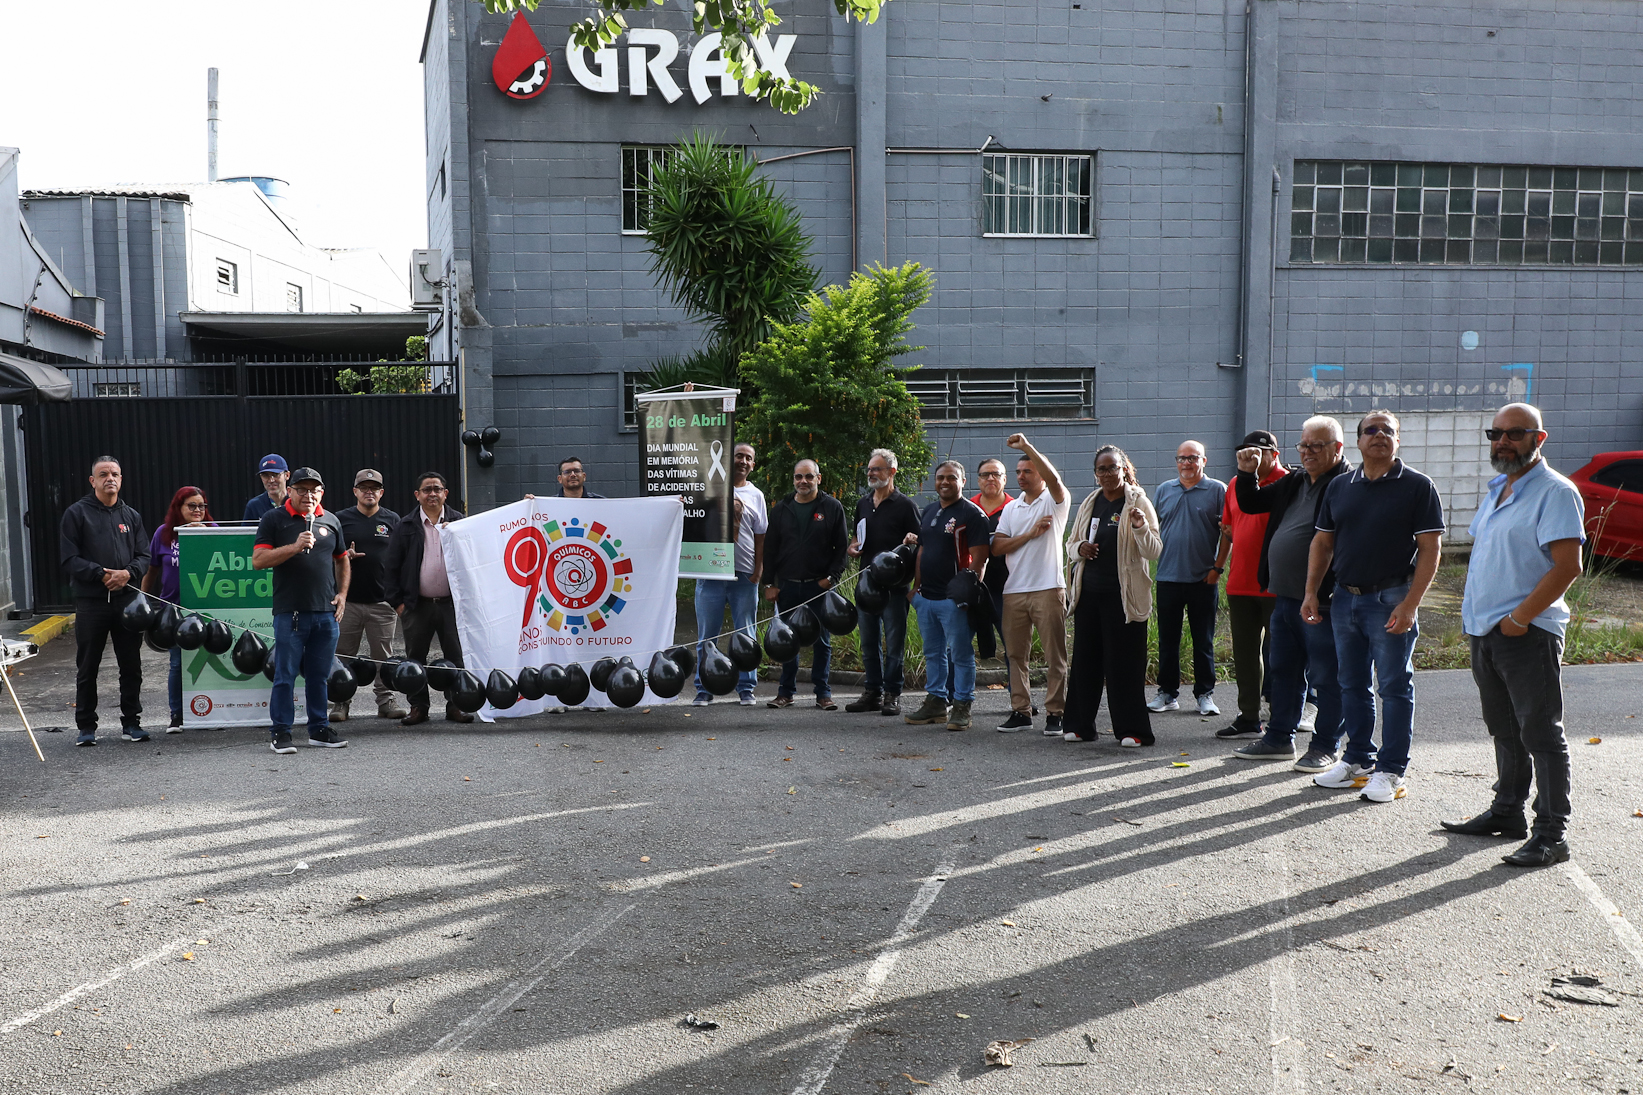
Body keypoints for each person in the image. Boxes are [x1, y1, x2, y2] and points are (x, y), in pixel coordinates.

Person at [1442, 404, 1585, 868]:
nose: (1502, 441)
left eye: (1514, 434)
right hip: (1487, 632)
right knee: (1504, 729)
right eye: (1496, 433)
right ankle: (1507, 811)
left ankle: (1551, 833)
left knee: (1541, 733)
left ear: (1538, 439)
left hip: (1527, 633)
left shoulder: (1555, 492)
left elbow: (1568, 566)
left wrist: (1521, 618)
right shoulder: (1497, 488)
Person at [1302, 410, 1444, 803]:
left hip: (1390, 599)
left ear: (1398, 440)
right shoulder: (1341, 486)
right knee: (1351, 683)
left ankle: (1392, 769)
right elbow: (1322, 543)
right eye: (1371, 430)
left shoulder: (1417, 486)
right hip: (1345, 598)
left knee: (1395, 686)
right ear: (1358, 441)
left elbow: (1431, 549)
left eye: (1388, 431)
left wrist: (1411, 603)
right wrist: (1312, 592)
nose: (1380, 435)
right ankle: (1358, 759)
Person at [1229, 417, 1353, 772]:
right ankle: (1279, 738)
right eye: (1304, 445)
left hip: (1324, 600)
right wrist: (1247, 471)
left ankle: (1325, 745)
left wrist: (1320, 590)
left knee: (1326, 676)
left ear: (1337, 448)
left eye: (1317, 446)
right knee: (1283, 670)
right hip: (1283, 595)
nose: (1308, 452)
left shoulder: (1346, 484)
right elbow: (1252, 503)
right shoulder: (1295, 479)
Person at [1063, 446, 1162, 746]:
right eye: (1101, 469)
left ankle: (1133, 731)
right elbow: (1070, 544)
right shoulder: (1090, 503)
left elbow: (1154, 550)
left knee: (1124, 664)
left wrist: (1140, 527)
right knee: (1085, 661)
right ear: (1095, 474)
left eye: (1112, 468)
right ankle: (1080, 726)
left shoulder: (1137, 502)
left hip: (1125, 598)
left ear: (1123, 469)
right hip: (1089, 595)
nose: (1107, 474)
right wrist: (1080, 548)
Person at [251, 467, 350, 753]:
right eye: (302, 489)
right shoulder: (274, 519)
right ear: (290, 491)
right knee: (285, 675)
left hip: (326, 613)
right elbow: (258, 560)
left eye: (314, 490)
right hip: (291, 612)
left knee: (319, 676)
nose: (308, 495)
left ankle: (318, 728)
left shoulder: (331, 520)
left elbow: (342, 560)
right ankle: (280, 732)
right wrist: (294, 547)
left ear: (322, 492)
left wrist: (342, 594)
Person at [60, 456, 151, 746]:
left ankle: (132, 723)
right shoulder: (76, 514)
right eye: (103, 474)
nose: (109, 478)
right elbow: (69, 559)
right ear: (93, 481)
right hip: (92, 603)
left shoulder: (132, 516)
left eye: (115, 474)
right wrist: (100, 574)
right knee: (88, 666)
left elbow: (145, 556)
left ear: (121, 479)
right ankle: (86, 727)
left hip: (127, 602)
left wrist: (128, 573)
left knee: (131, 666)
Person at [991, 434, 1070, 736]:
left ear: (1040, 474)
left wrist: (1027, 448)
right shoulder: (1012, 509)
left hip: (1049, 588)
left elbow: (1055, 479)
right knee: (1015, 656)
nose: (1022, 477)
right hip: (1014, 592)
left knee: (1054, 655)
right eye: (1019, 472)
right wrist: (1030, 535)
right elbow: (998, 547)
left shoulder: (1054, 501)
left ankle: (1056, 713)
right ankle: (1021, 711)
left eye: (1028, 471)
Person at [904, 460, 992, 732]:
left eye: (951, 478)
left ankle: (963, 705)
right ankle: (936, 703)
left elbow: (980, 560)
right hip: (926, 598)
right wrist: (915, 590)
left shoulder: (972, 514)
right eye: (940, 477)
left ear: (963, 481)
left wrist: (966, 594)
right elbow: (922, 552)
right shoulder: (928, 511)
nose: (944, 482)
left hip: (953, 600)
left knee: (961, 655)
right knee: (933, 653)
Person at [382, 471, 472, 726]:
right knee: (414, 659)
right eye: (427, 489)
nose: (432, 493)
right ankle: (418, 707)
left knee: (456, 658)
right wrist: (398, 604)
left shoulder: (459, 522)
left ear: (446, 493)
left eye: (437, 488)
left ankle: (456, 705)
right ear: (417, 495)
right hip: (416, 606)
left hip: (451, 606)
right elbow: (391, 567)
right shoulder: (406, 525)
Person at [1212, 431, 1284, 740]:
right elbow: (1228, 528)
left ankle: (1283, 718)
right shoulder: (1235, 484)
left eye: (1257, 453)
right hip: (1240, 582)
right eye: (1244, 453)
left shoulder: (1288, 482)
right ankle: (1249, 717)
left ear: (1273, 455)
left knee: (1281, 653)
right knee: (1244, 653)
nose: (1249, 459)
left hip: (1277, 584)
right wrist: (1219, 566)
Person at [1149, 440, 1226, 716]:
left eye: (1193, 458)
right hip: (1168, 576)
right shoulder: (1164, 490)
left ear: (1204, 461)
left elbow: (1228, 534)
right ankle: (1167, 694)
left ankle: (1205, 694)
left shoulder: (1218, 490)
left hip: (1203, 580)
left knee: (1202, 640)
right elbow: (1152, 529)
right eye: (1181, 458)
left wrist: (1217, 568)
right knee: (1168, 640)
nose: (1186, 463)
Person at [763, 459, 848, 709]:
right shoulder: (781, 508)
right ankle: (785, 693)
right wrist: (770, 583)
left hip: (818, 588)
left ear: (818, 479)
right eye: (799, 476)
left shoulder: (832, 507)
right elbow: (770, 549)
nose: (804, 481)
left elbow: (841, 548)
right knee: (788, 641)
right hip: (787, 587)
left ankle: (823, 694)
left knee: (822, 641)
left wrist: (831, 578)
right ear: (793, 479)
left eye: (809, 476)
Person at [844, 448, 921, 716]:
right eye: (869, 469)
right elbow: (857, 538)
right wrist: (852, 547)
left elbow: (920, 544)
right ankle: (872, 692)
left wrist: (913, 541)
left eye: (876, 469)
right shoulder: (863, 504)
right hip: (866, 583)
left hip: (895, 587)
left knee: (894, 642)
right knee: (868, 641)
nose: (871, 473)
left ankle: (892, 694)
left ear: (892, 472)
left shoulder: (906, 505)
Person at [694, 442, 768, 707]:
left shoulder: (756, 495)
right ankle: (704, 688)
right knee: (706, 636)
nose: (743, 461)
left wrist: (758, 569)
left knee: (746, 635)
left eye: (749, 458)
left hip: (744, 574)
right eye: (739, 456)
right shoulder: (708, 487)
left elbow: (760, 536)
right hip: (711, 574)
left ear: (753, 465)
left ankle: (746, 688)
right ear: (729, 459)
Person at [332, 470, 408, 723]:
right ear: (355, 491)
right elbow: (327, 555)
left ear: (381, 492)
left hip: (382, 603)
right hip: (349, 602)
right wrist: (343, 557)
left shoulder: (392, 519)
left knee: (384, 658)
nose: (369, 492)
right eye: (363, 487)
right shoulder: (340, 520)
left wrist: (399, 597)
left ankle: (386, 701)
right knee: (343, 656)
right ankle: (341, 702)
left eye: (374, 488)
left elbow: (401, 560)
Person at [142, 486, 217, 732]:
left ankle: (214, 712)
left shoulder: (215, 531)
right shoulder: (164, 534)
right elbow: (152, 570)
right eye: (191, 506)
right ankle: (177, 715)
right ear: (179, 508)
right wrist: (145, 602)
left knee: (209, 658)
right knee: (177, 663)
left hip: (206, 607)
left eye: (201, 506)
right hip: (173, 609)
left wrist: (204, 536)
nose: (197, 511)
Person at [971, 457, 1014, 660]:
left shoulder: (1016, 508)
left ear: (1004, 479)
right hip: (972, 587)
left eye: (996, 474)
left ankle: (1017, 692)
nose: (990, 478)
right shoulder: (968, 509)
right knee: (956, 647)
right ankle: (955, 692)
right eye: (985, 475)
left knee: (1012, 647)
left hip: (1007, 588)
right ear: (978, 480)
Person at [243, 454, 290, 522]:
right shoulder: (254, 506)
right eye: (265, 475)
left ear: (287, 475)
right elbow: (247, 532)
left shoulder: (296, 502)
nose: (271, 480)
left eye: (275, 474)